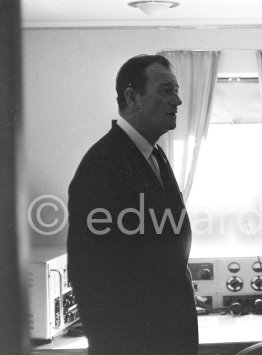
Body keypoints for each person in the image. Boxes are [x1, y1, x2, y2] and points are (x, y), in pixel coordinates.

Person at [67, 55, 198, 355]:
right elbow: (89, 276)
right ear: (131, 97)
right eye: (166, 90)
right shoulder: (103, 165)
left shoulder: (155, 156)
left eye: (176, 90)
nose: (177, 100)